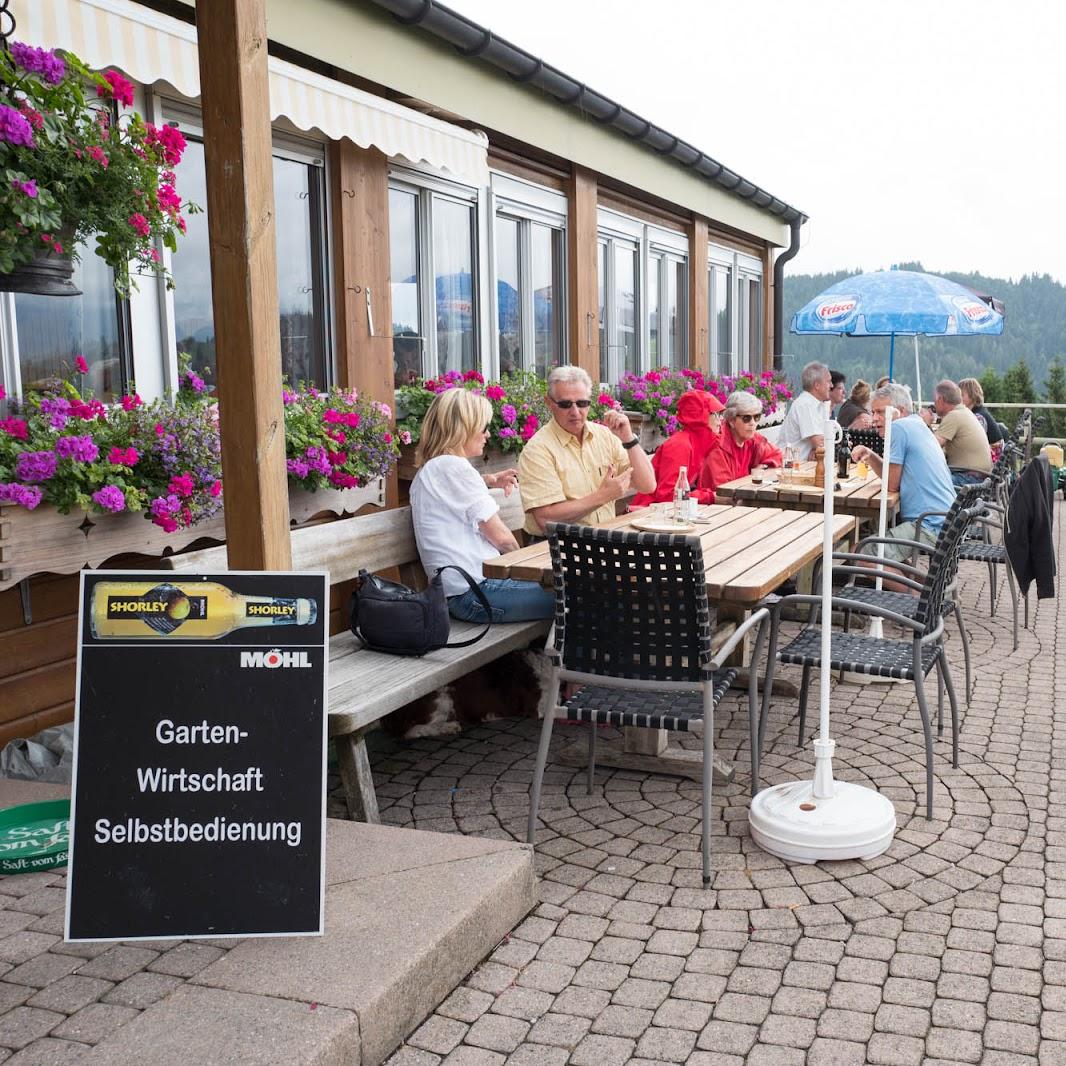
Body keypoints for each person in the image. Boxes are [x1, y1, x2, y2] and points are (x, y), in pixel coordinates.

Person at [410, 388, 554, 623]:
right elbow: (502, 538)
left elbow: (455, 499)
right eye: (483, 427)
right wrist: (528, 571)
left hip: (463, 593)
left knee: (580, 593)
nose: (488, 434)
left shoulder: (434, 469)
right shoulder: (453, 468)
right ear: (463, 428)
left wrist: (487, 480)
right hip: (476, 594)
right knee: (582, 595)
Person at [518, 366, 655, 534]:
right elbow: (546, 519)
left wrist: (628, 439)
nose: (575, 412)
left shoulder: (604, 436)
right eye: (565, 404)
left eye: (582, 403)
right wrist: (603, 496)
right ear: (549, 404)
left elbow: (648, 485)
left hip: (604, 541)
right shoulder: (538, 450)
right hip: (555, 549)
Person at [849, 382, 956, 566]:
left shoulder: (898, 428)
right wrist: (871, 455)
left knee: (859, 553)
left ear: (899, 410)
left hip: (928, 525)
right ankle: (926, 589)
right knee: (879, 551)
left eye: (881, 412)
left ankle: (918, 593)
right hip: (947, 521)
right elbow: (893, 476)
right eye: (873, 412)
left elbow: (891, 485)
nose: (874, 419)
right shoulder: (917, 424)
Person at [631, 390, 724, 508]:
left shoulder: (696, 443)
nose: (720, 420)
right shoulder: (680, 446)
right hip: (646, 513)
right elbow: (667, 495)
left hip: (662, 512)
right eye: (716, 414)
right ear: (700, 417)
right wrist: (710, 497)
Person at [701, 391, 783, 496]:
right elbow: (726, 492)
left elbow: (777, 455)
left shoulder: (752, 438)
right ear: (731, 420)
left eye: (756, 417)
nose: (753, 423)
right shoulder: (718, 447)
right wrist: (751, 478)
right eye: (746, 418)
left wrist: (762, 467)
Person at [920, 379, 992, 486]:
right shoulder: (964, 411)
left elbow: (931, 447)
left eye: (934, 400)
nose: (934, 404)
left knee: (920, 479)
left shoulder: (954, 416)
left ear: (940, 400)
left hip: (967, 479)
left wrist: (925, 424)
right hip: (979, 479)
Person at [779, 361, 832, 461]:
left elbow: (820, 442)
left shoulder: (815, 404)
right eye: (828, 381)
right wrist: (841, 442)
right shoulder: (805, 404)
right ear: (817, 385)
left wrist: (814, 448)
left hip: (801, 465)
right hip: (789, 467)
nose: (831, 385)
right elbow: (819, 442)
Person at [959, 377, 1006, 446]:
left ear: (972, 396)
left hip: (993, 454)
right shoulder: (978, 411)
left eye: (962, 395)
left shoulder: (979, 417)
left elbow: (974, 442)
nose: (959, 398)